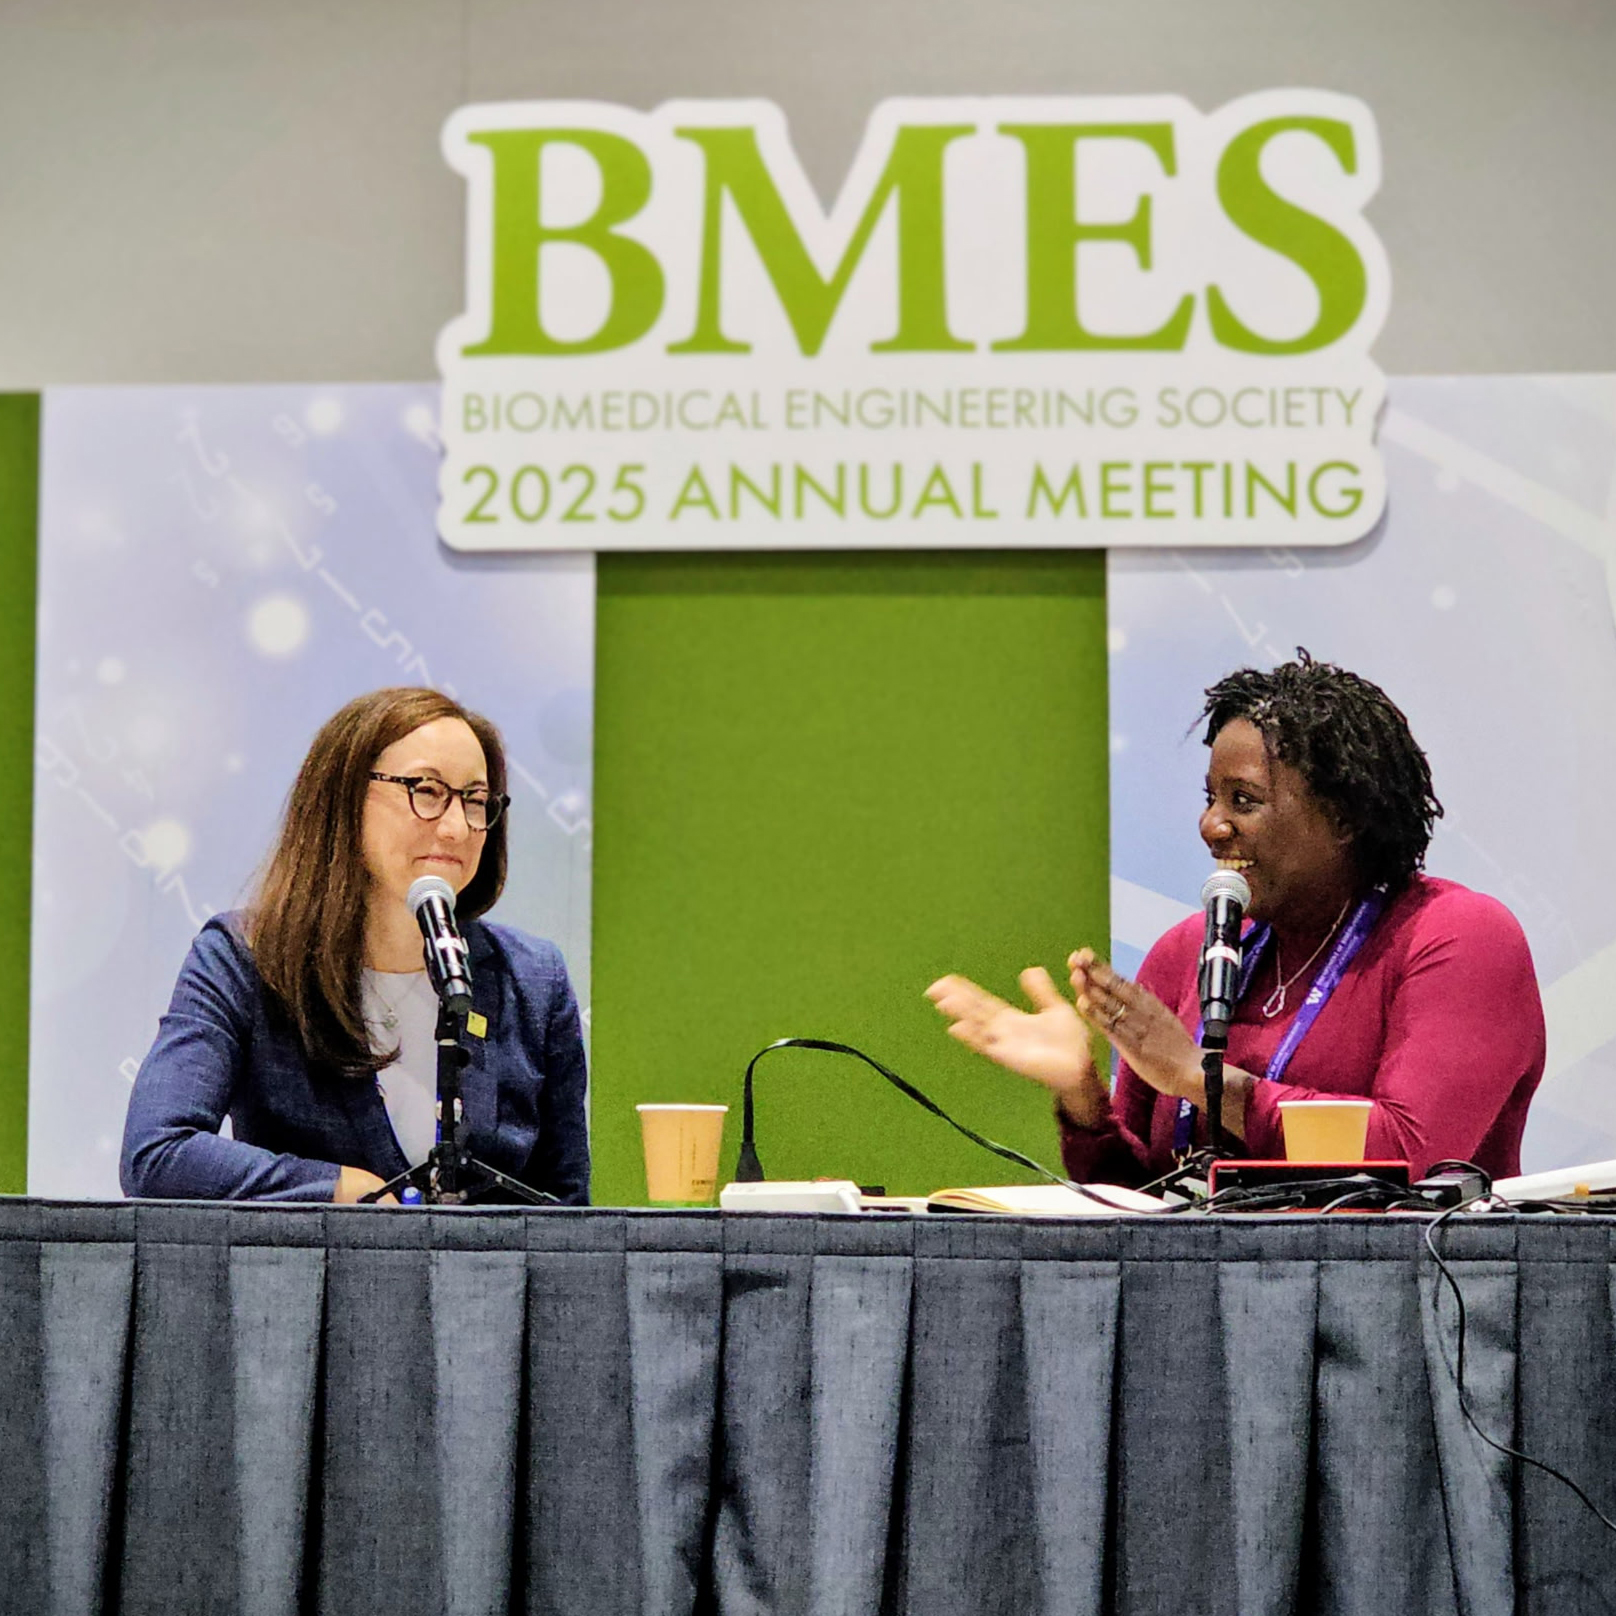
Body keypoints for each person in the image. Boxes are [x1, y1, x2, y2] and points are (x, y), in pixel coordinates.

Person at [927, 653, 1545, 1184]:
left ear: (1345, 818)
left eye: (1243, 801)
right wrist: (1084, 1099)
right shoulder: (1188, 951)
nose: (1211, 826)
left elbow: (1408, 1160)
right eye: (1210, 798)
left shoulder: (1456, 936)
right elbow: (1144, 1205)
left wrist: (1205, 1080)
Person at [121, 687, 590, 1204]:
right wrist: (336, 1187)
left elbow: (567, 1217)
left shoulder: (533, 979)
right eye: (427, 791)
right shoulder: (244, 959)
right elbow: (158, 1152)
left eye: (476, 801)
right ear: (342, 798)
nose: (457, 827)